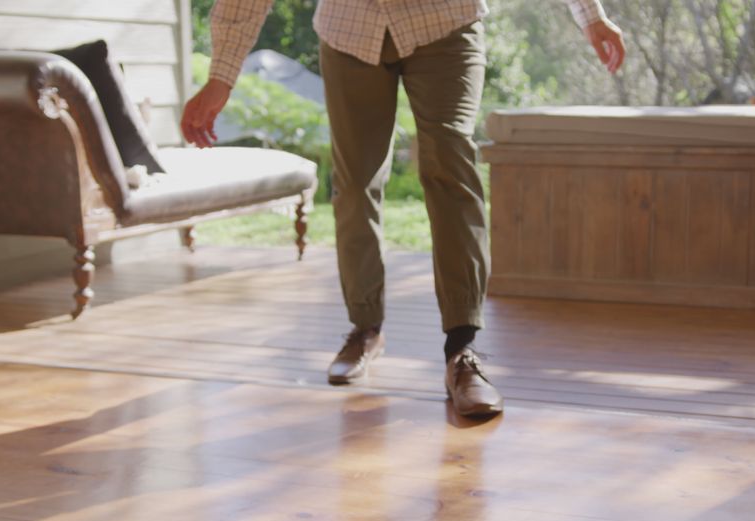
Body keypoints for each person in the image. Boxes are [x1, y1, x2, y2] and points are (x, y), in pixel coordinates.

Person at [182, 0, 625, 418]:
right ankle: (365, 328)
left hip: (443, 20)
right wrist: (222, 75)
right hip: (350, 28)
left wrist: (590, 15)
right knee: (354, 183)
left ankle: (462, 350)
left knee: (450, 164)